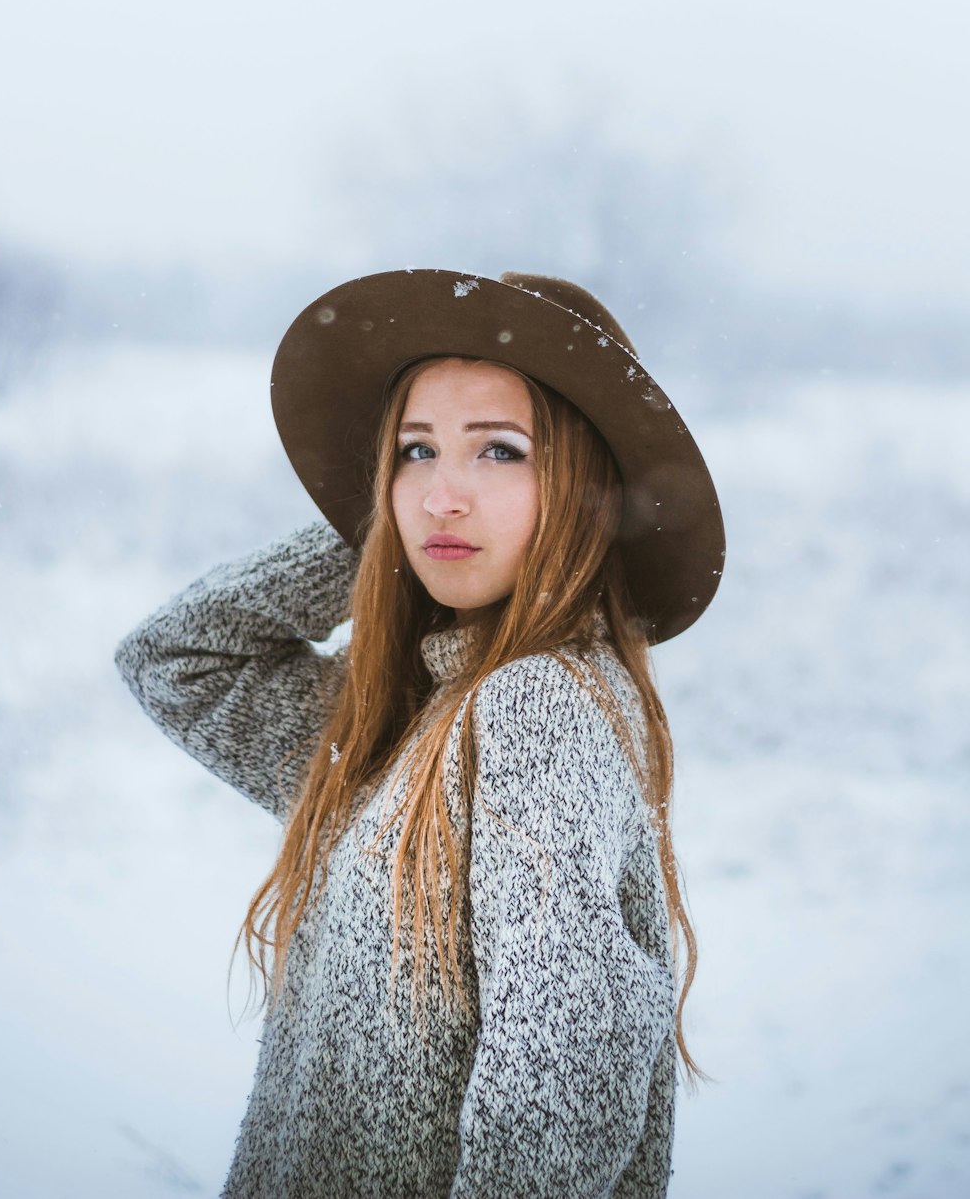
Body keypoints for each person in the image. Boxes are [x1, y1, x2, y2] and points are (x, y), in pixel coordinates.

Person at [115, 268, 725, 1199]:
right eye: (414, 451)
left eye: (500, 452)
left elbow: (562, 1086)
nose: (443, 495)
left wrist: (409, 516)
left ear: (586, 488)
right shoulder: (406, 719)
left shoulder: (534, 711)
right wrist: (375, 533)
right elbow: (179, 660)